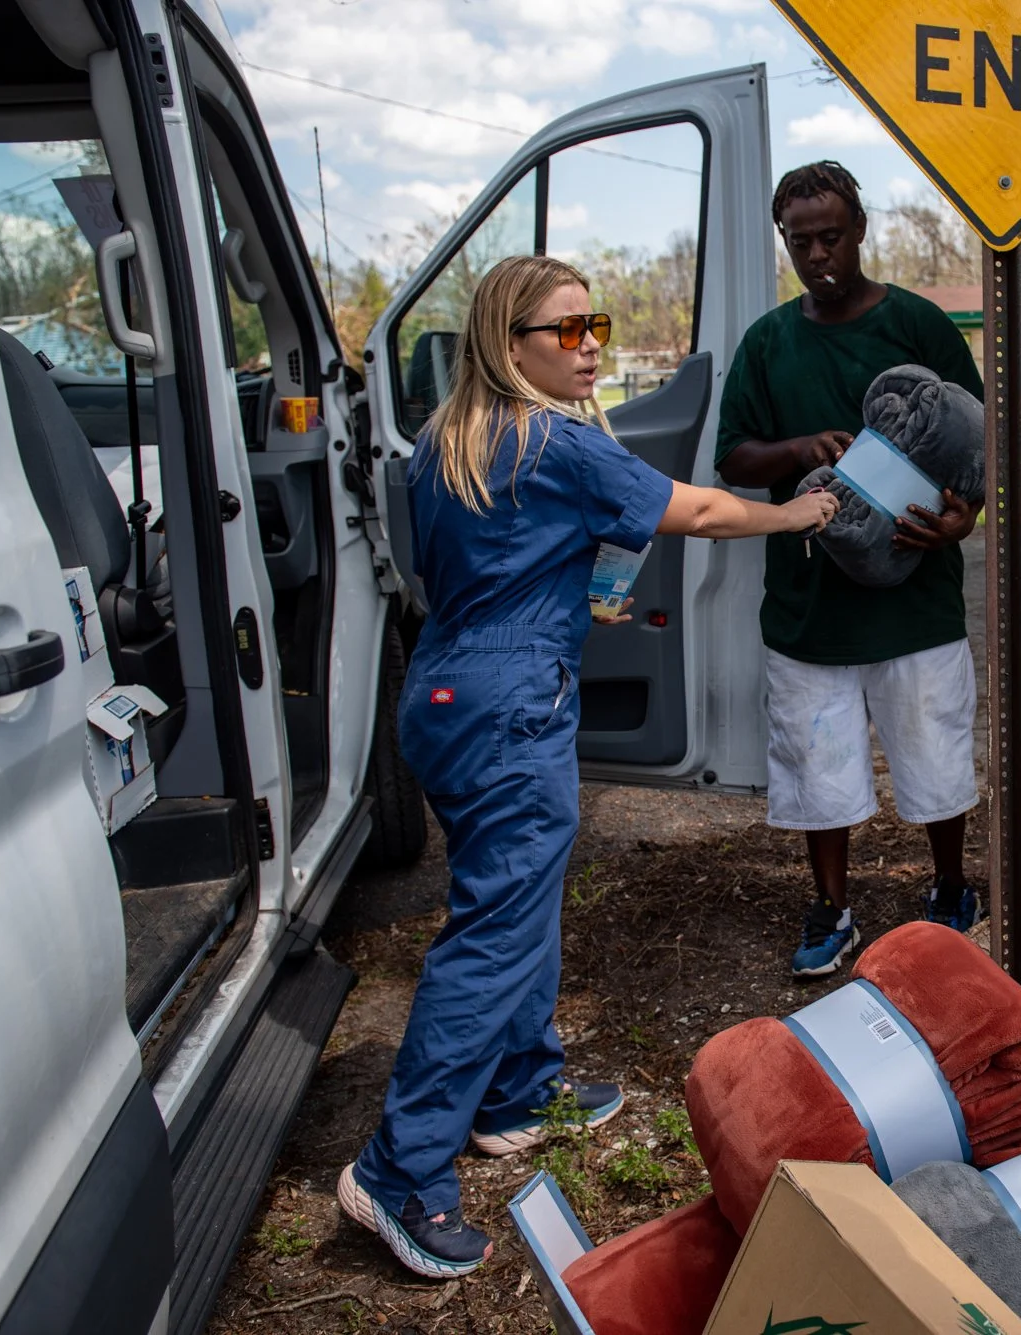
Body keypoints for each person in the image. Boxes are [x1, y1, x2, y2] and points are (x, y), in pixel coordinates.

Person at [339, 256, 836, 1279]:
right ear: (506, 342)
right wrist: (792, 516)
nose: (590, 345)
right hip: (513, 710)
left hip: (443, 693)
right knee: (493, 930)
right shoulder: (553, 440)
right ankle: (397, 1172)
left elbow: (480, 563)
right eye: (563, 330)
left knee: (510, 903)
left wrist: (564, 590)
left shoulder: (450, 442)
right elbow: (693, 512)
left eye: (592, 323)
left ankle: (517, 1087)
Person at [717, 161, 987, 979]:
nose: (817, 255)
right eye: (800, 242)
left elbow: (976, 438)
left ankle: (950, 889)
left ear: (861, 230)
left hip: (915, 595)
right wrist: (803, 448)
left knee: (933, 748)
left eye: (831, 236)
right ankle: (833, 910)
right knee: (816, 762)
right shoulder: (768, 342)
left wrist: (961, 518)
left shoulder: (917, 324)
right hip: (810, 603)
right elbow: (734, 456)